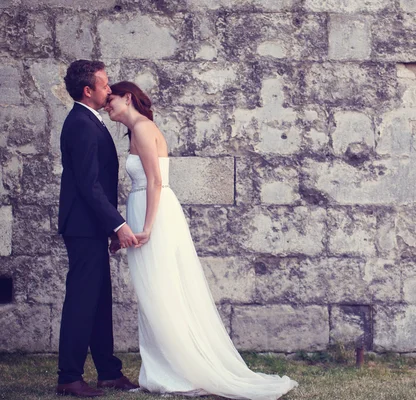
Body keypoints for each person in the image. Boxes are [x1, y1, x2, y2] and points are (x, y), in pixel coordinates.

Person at [104, 81, 298, 399]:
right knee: (154, 291)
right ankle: (160, 369)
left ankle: (176, 370)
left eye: (110, 100)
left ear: (127, 98)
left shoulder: (141, 127)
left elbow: (155, 180)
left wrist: (148, 226)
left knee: (161, 290)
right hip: (147, 209)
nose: (106, 106)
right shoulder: (137, 129)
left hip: (154, 214)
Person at [57, 60, 139, 397]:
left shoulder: (90, 121)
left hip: (92, 225)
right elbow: (89, 185)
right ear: (88, 90)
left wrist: (108, 226)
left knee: (99, 299)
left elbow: (96, 185)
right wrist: (118, 225)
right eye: (105, 85)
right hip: (82, 226)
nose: (110, 89)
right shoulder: (80, 123)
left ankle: (108, 372)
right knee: (81, 300)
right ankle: (69, 377)